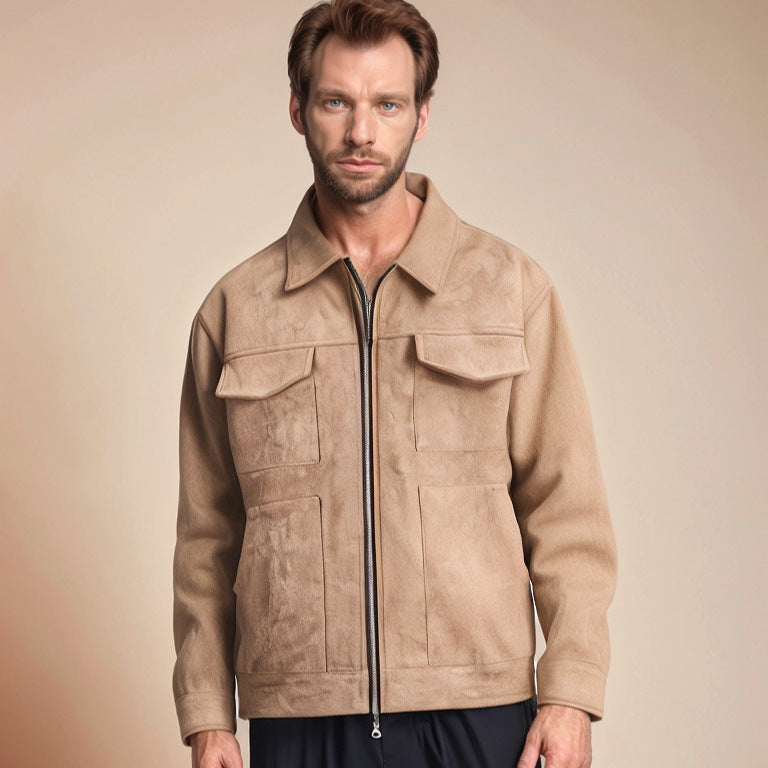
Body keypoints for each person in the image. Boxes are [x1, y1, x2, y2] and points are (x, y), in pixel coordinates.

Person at [172, 1, 617, 766]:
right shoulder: (236, 310)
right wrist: (209, 714)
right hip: (300, 715)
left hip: (478, 710)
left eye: (387, 104)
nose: (361, 132)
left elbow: (566, 508)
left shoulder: (507, 290)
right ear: (297, 110)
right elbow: (208, 535)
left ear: (422, 115)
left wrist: (571, 692)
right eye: (335, 102)